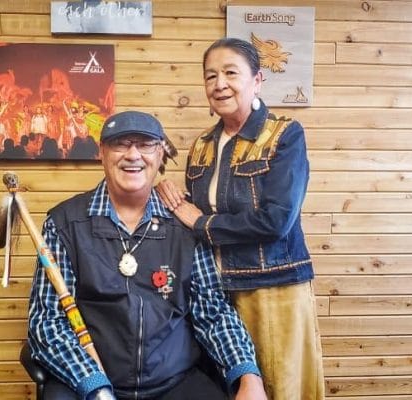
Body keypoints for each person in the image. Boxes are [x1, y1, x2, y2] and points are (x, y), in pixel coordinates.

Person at [27, 110, 267, 400]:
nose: (133, 154)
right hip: (88, 381)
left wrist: (247, 374)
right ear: (101, 153)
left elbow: (212, 312)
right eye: (120, 144)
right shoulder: (64, 224)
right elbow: (47, 323)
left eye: (145, 144)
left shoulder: (185, 224)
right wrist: (95, 386)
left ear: (161, 154)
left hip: (174, 382)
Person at [156, 37, 325, 399]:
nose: (219, 84)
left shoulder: (284, 134)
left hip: (274, 288)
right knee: (228, 386)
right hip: (215, 293)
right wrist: (169, 194)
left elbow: (276, 221)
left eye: (231, 73)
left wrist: (201, 224)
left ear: (257, 80)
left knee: (281, 388)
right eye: (210, 76)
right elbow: (196, 214)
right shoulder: (202, 144)